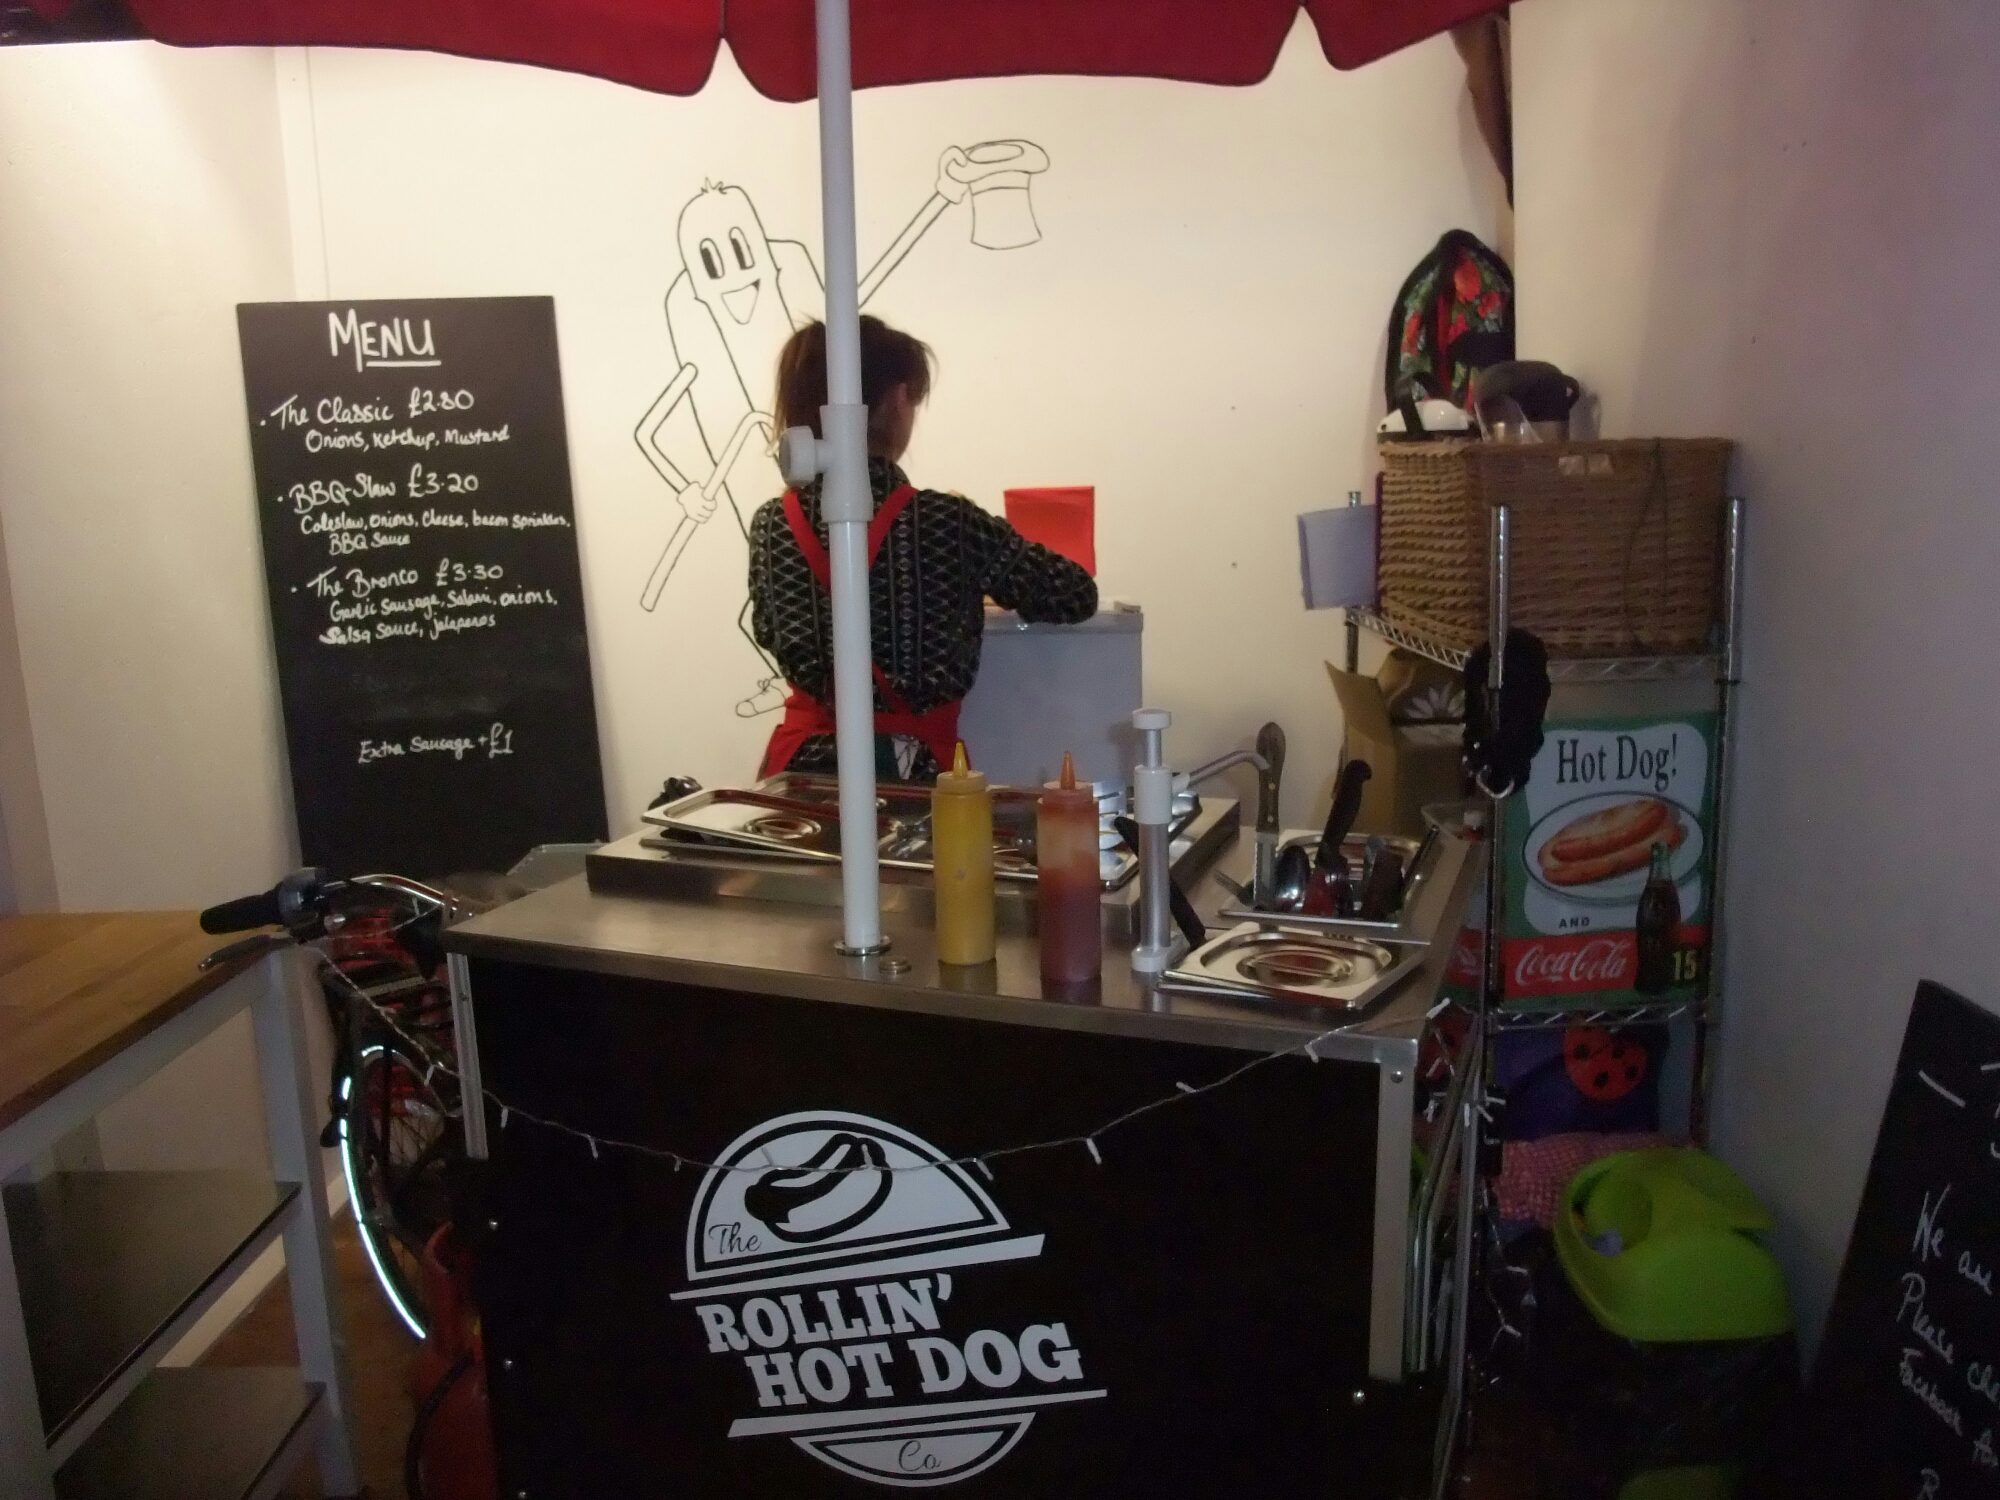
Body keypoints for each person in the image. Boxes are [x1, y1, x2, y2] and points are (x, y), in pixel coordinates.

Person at [748, 316, 1097, 782]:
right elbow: (1075, 594)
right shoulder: (947, 521)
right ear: (899, 398)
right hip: (914, 777)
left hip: (799, 774)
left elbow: (767, 628)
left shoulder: (772, 523)